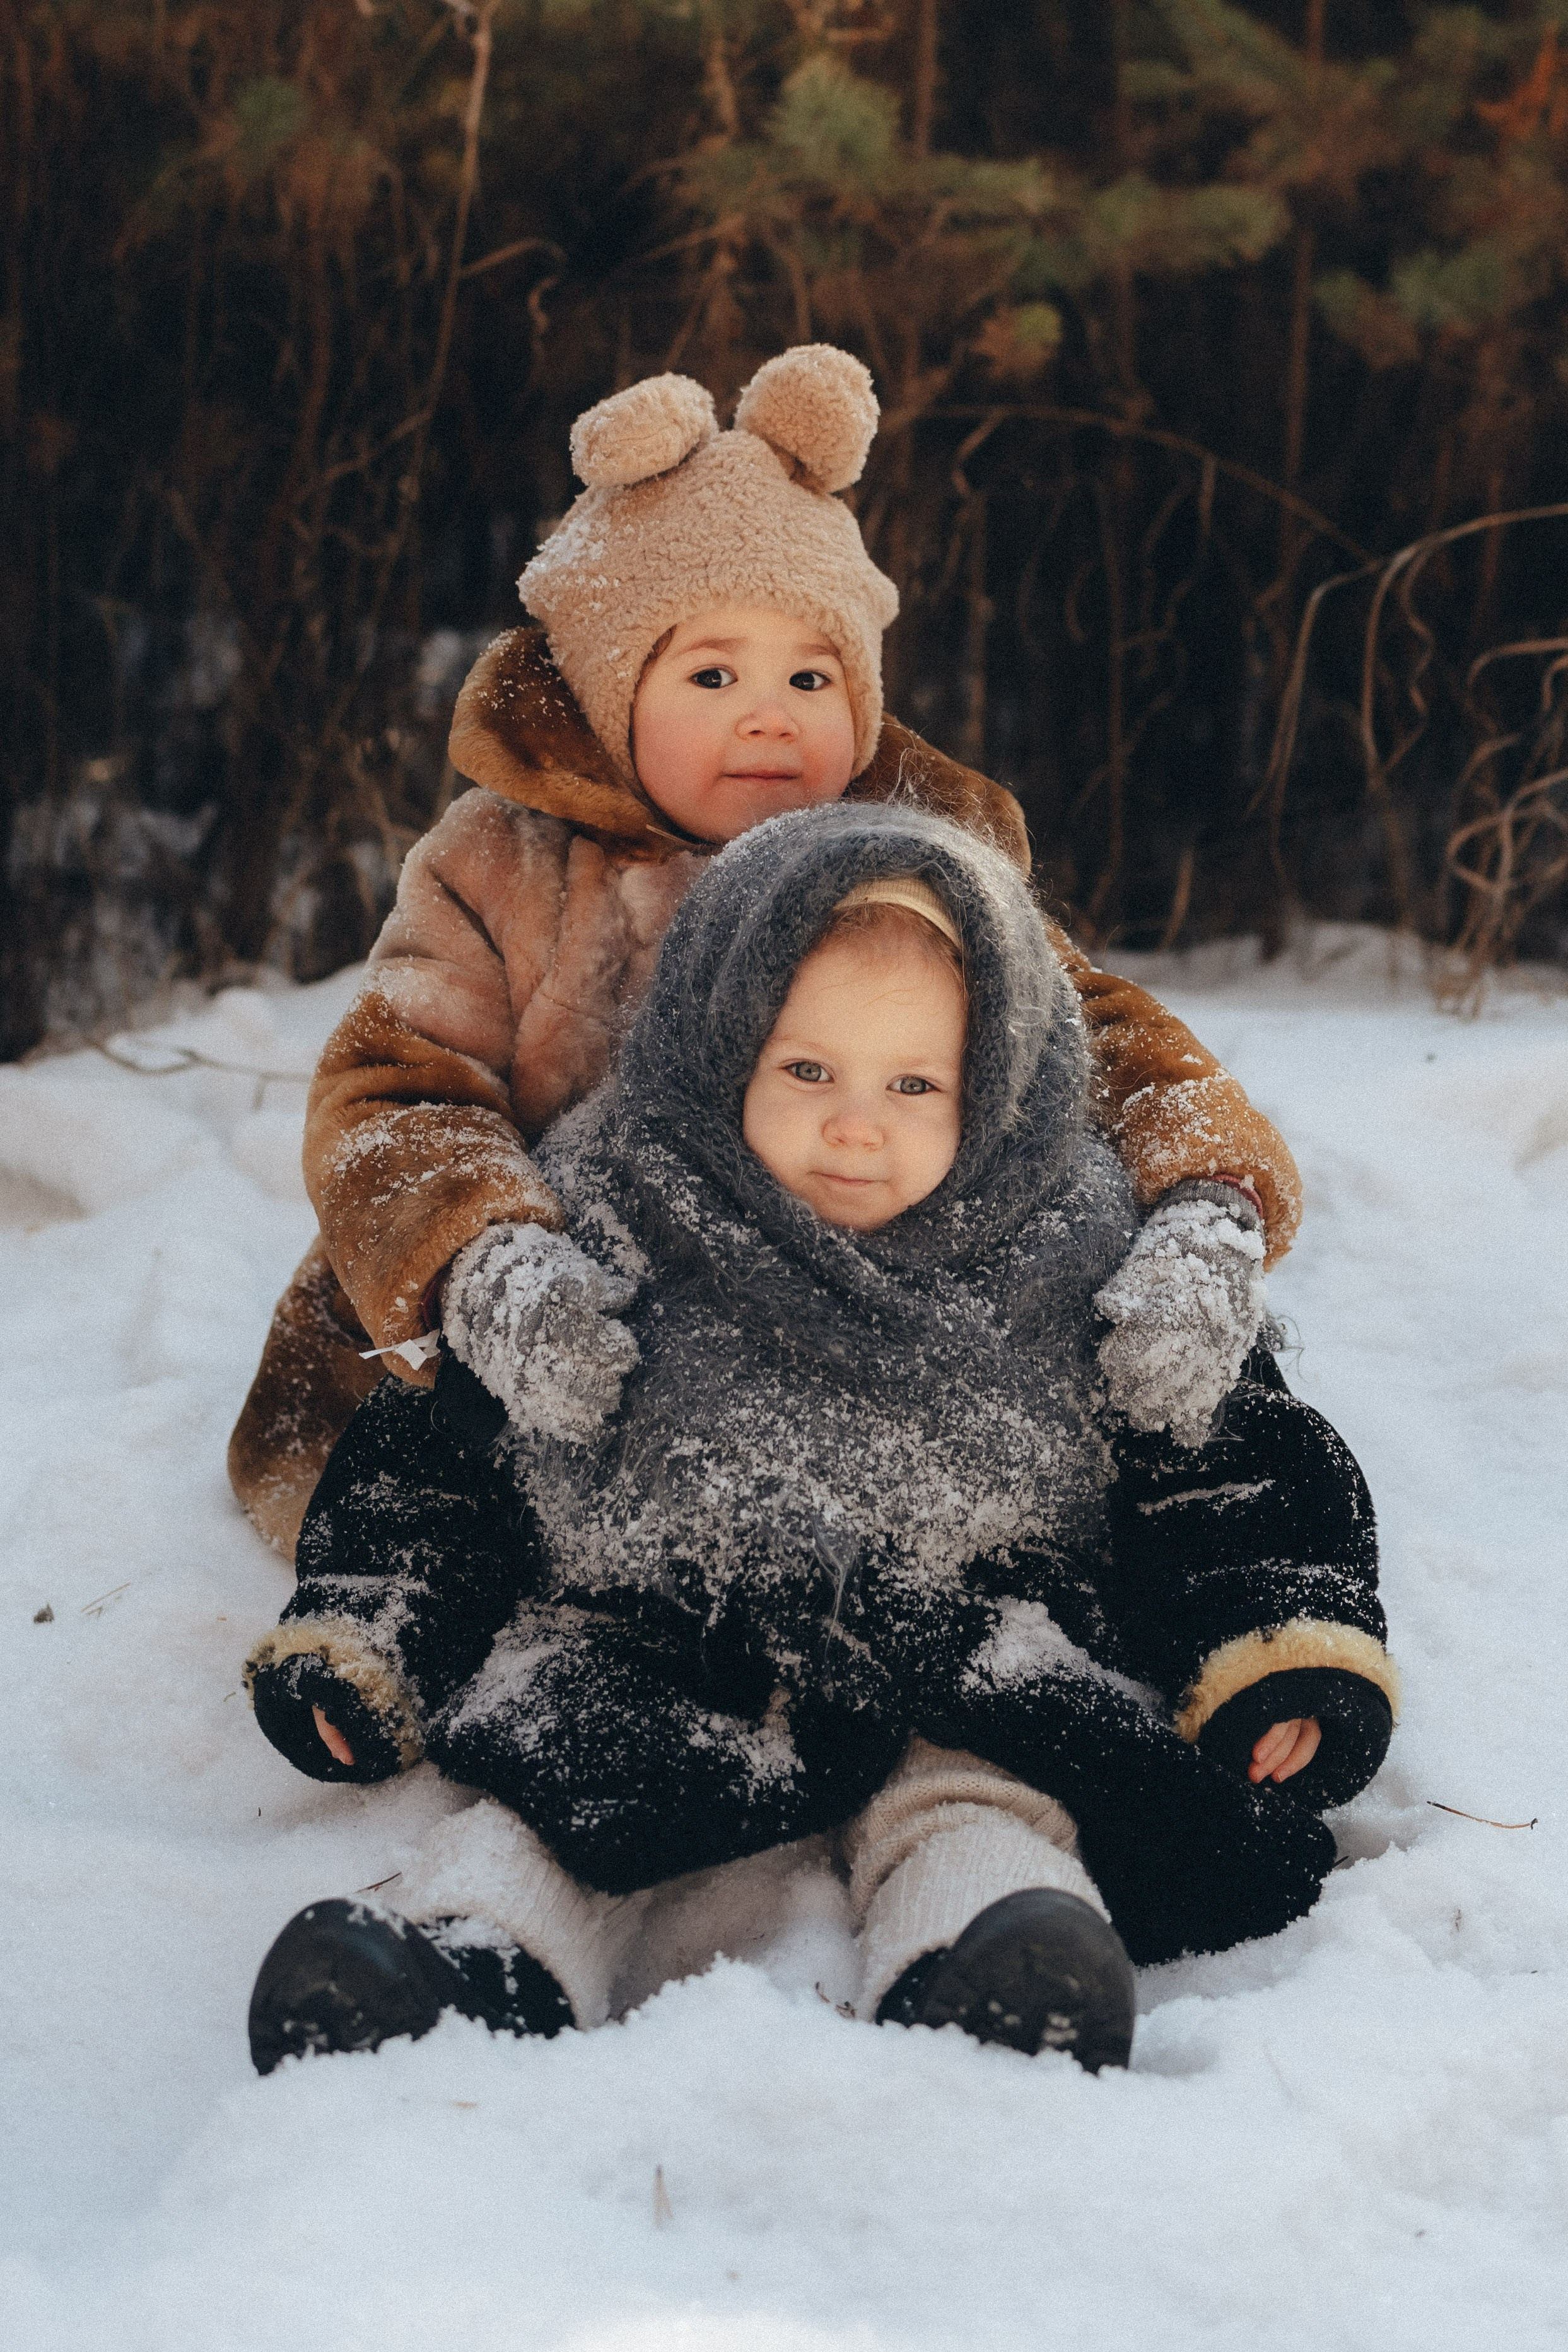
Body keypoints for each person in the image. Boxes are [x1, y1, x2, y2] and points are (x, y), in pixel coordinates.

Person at [244, 807, 1398, 2080]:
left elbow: (1218, 1449)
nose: (858, 1124)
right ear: (718, 1042)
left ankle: (993, 1950)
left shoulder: (1065, 1243)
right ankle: (460, 1959)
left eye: (915, 1083)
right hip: (654, 1628)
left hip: (957, 1627)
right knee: (553, 1785)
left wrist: (1278, 1646)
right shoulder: (615, 1212)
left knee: (981, 1783)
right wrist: (372, 1621)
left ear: (999, 1076)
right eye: (807, 1070)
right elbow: (446, 1455)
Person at [225, 343, 1303, 1569]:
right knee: (461, 1487)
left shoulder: (922, 859)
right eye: (711, 671)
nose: (768, 712)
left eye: (809, 673)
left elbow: (1099, 1038)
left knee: (1170, 1398)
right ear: (604, 690)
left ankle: (1223, 1570)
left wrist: (1204, 1209)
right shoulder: (504, 865)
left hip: (870, 1289)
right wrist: (486, 1260)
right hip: (598, 1301)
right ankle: (451, 1588)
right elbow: (399, 1092)